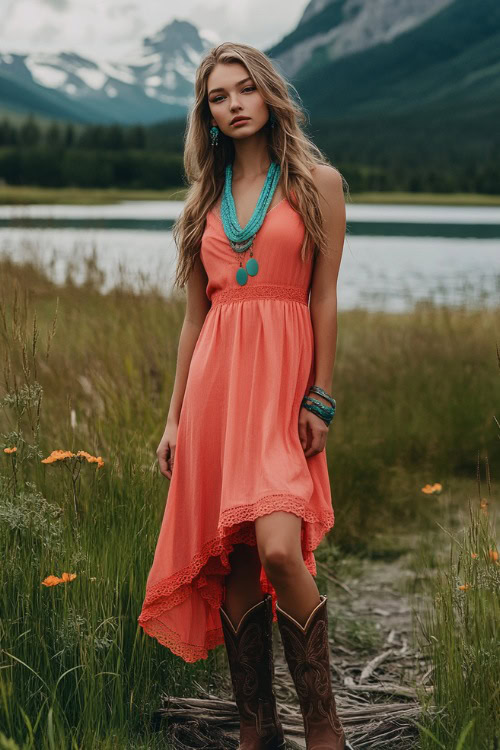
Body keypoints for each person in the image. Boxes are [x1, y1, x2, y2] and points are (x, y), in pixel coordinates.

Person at [138, 41, 353, 750]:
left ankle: (323, 728)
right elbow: (194, 321)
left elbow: (323, 297)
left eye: (243, 90)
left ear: (268, 95)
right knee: (234, 560)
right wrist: (173, 421)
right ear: (208, 114)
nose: (232, 105)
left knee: (281, 550)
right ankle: (256, 730)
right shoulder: (205, 203)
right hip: (217, 394)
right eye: (217, 97)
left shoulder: (318, 183)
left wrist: (320, 396)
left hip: (284, 389)